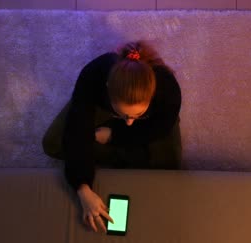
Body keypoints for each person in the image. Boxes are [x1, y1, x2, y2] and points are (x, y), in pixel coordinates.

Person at [42, 41, 182, 233]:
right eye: (123, 114)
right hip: (97, 100)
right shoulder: (93, 76)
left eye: (137, 115)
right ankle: (126, 154)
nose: (130, 122)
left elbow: (160, 127)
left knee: (169, 167)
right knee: (53, 143)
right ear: (108, 90)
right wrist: (83, 189)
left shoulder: (168, 90)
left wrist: (115, 135)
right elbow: (76, 129)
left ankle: (119, 151)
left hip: (149, 120)